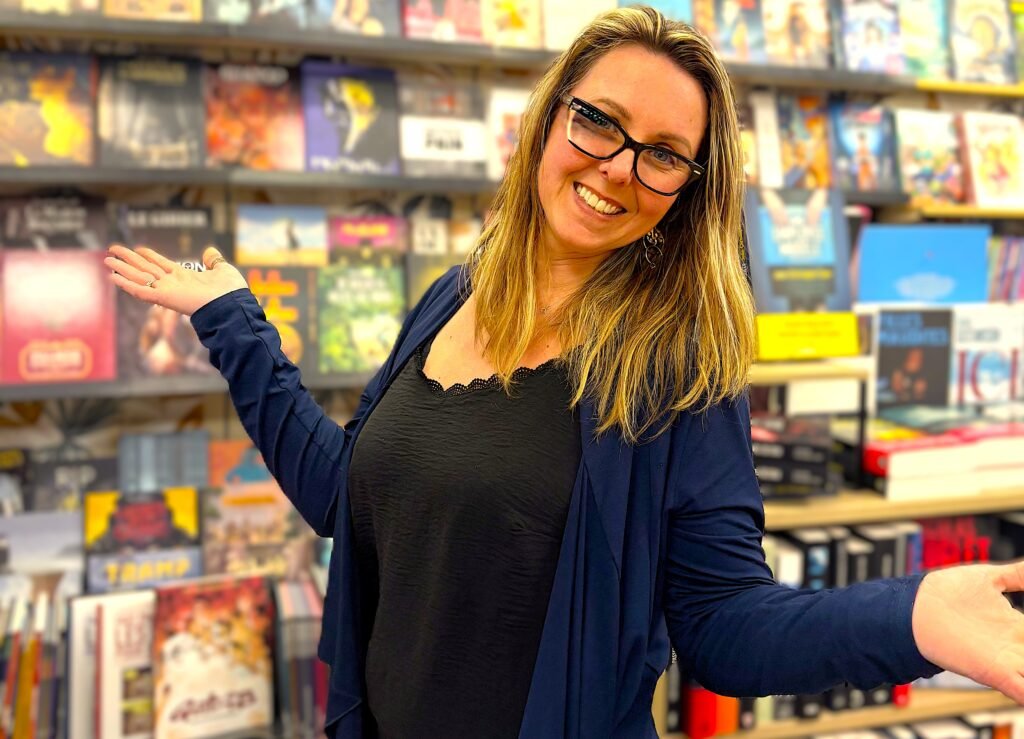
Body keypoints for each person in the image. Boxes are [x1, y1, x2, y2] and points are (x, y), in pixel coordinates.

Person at [106, 6, 1024, 738]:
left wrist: (913, 617)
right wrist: (235, 322)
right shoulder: (451, 297)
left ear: (685, 190)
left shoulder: (676, 372)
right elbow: (349, 495)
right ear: (550, 118)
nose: (618, 167)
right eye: (599, 122)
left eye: (662, 154)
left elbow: (722, 623)